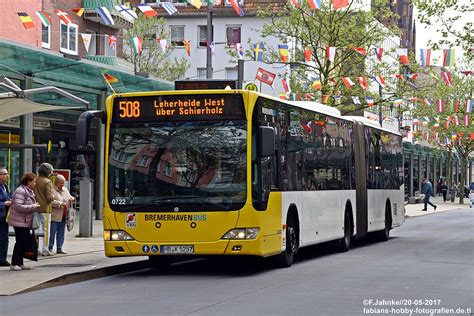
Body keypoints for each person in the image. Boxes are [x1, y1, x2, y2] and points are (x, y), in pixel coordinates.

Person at [8, 173, 40, 271]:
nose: (34, 184)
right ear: (28, 181)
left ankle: (20, 262)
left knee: (24, 241)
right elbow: (18, 206)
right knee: (20, 242)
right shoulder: (20, 191)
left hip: (25, 221)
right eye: (33, 182)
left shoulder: (28, 191)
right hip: (19, 221)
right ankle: (14, 263)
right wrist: (33, 206)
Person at [33, 163, 55, 256]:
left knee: (35, 229)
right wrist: (53, 196)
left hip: (35, 207)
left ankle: (35, 248)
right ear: (48, 172)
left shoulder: (34, 180)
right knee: (46, 230)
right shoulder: (47, 182)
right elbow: (49, 197)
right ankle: (45, 249)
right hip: (45, 209)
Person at [49, 175, 74, 255]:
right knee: (52, 233)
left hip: (63, 215)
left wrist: (71, 199)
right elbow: (49, 201)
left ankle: (59, 248)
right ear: (56, 182)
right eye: (61, 183)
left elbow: (69, 197)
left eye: (63, 183)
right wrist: (60, 203)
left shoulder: (64, 189)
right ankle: (50, 248)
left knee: (61, 232)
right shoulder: (51, 189)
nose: (63, 185)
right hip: (54, 215)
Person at [0, 167, 12, 266]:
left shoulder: (5, 186)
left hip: (5, 216)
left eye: (7, 174)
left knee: (4, 238)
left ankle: (2, 258)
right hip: (1, 215)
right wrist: (4, 204)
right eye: (4, 174)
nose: (6, 176)